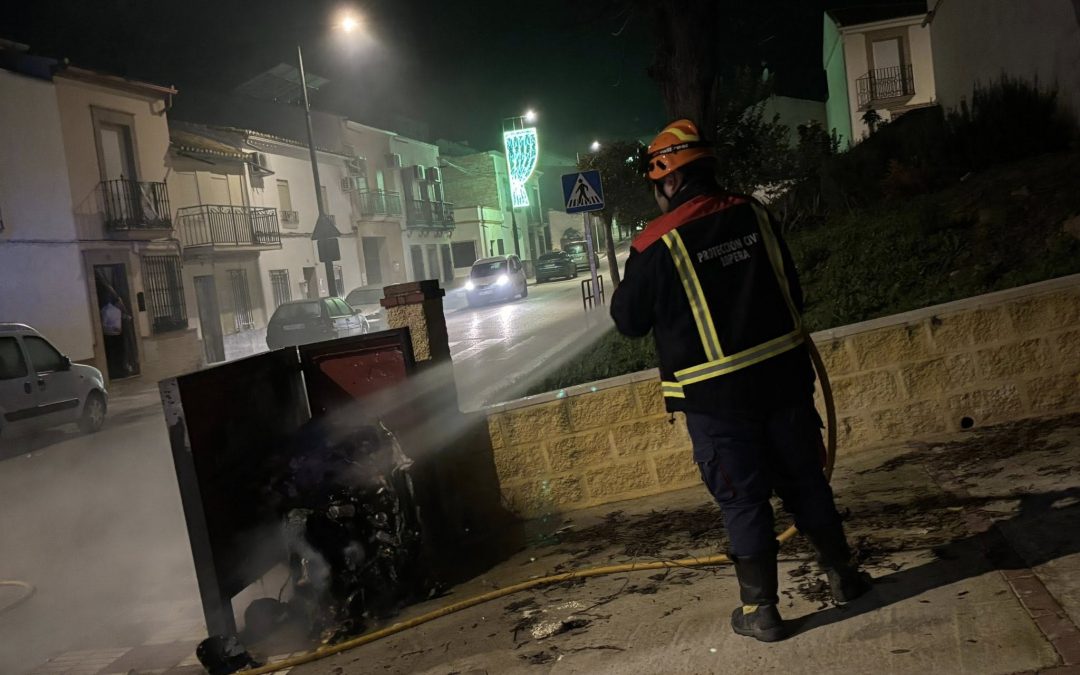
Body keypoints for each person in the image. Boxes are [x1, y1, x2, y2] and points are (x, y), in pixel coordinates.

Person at [610, 119, 871, 642]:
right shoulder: (756, 213)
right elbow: (790, 290)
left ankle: (762, 612)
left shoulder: (656, 243)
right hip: (784, 380)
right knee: (805, 479)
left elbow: (629, 321)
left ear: (669, 180)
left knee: (743, 500)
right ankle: (842, 577)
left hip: (717, 400)